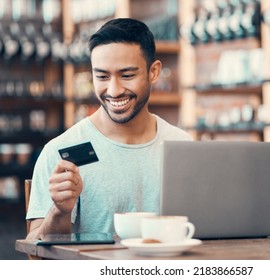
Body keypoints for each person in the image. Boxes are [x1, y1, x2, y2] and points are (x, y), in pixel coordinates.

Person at [26, 18, 193, 240]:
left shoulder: (182, 145)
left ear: (154, 72)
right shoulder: (61, 152)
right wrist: (60, 211)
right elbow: (34, 257)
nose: (114, 91)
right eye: (102, 76)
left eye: (127, 75)